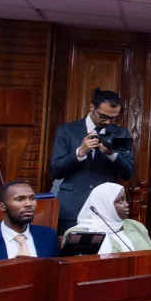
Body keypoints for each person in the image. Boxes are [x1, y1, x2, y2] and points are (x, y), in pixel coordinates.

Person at [50, 88, 134, 234]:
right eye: (103, 116)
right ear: (91, 107)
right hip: (71, 208)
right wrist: (79, 153)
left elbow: (128, 173)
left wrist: (112, 155)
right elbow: (56, 170)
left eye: (113, 118)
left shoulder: (121, 134)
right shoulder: (67, 130)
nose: (108, 122)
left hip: (106, 211)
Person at [0, 181, 59, 262]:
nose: (29, 204)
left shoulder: (49, 236)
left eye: (32, 198)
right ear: (2, 206)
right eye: (20, 199)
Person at [65, 183, 151, 253]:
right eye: (120, 201)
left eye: (125, 200)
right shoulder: (80, 234)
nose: (127, 204)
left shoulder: (136, 226)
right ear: (104, 206)